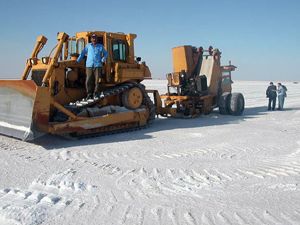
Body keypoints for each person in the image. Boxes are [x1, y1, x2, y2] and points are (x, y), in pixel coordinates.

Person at [77, 33, 108, 99]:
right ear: (91, 39)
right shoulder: (88, 46)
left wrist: (103, 59)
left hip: (98, 66)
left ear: (96, 39)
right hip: (89, 66)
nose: (94, 39)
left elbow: (106, 53)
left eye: (95, 38)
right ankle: (89, 94)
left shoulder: (100, 46)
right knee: (88, 80)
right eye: (93, 38)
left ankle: (96, 94)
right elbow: (82, 53)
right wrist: (77, 61)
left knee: (97, 81)